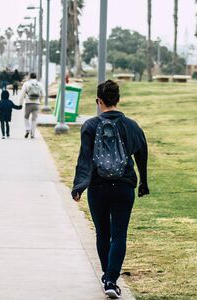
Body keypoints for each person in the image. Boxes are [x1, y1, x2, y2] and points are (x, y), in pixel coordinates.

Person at [71, 80, 149, 299]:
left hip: (97, 187)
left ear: (99, 101)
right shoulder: (131, 126)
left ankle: (107, 277)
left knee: (102, 232)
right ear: (118, 99)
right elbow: (142, 154)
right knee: (119, 234)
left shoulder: (90, 126)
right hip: (124, 187)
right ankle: (112, 280)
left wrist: (79, 186)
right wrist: (143, 182)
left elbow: (84, 159)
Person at [19, 72, 44, 139]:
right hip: (36, 103)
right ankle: (33, 134)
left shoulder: (26, 84)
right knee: (34, 119)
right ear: (36, 77)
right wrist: (40, 101)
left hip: (28, 103)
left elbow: (22, 94)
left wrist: (20, 103)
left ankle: (28, 129)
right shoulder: (39, 84)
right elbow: (43, 94)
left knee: (26, 117)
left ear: (30, 77)